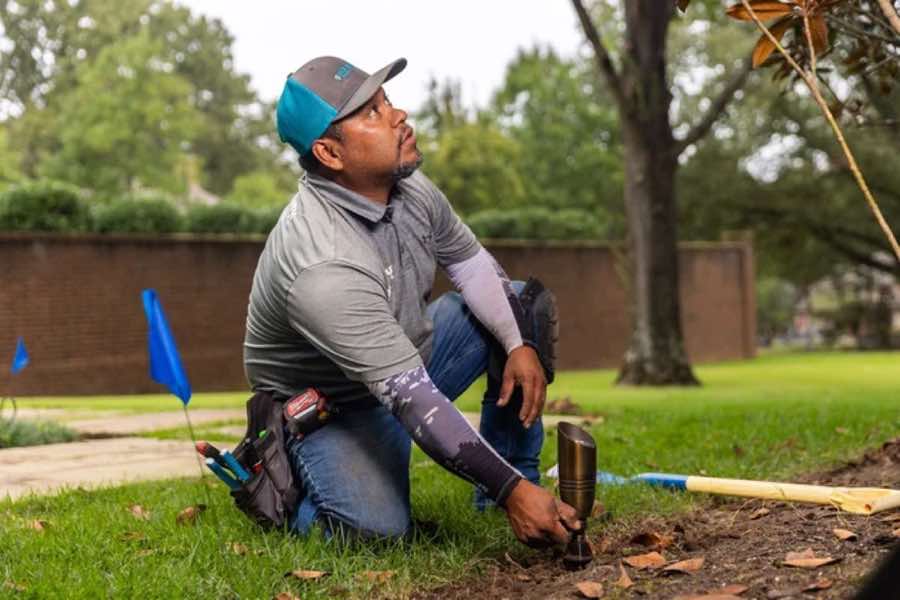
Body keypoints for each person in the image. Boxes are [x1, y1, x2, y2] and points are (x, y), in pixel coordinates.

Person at [243, 55, 578, 548]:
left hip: (408, 361)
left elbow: (471, 265)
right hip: (334, 407)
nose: (399, 116)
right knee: (378, 532)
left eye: (387, 102)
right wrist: (511, 492)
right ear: (329, 153)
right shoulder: (321, 261)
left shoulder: (408, 187)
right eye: (372, 113)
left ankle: (516, 480)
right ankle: (277, 480)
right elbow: (413, 398)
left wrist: (518, 344)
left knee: (520, 306)